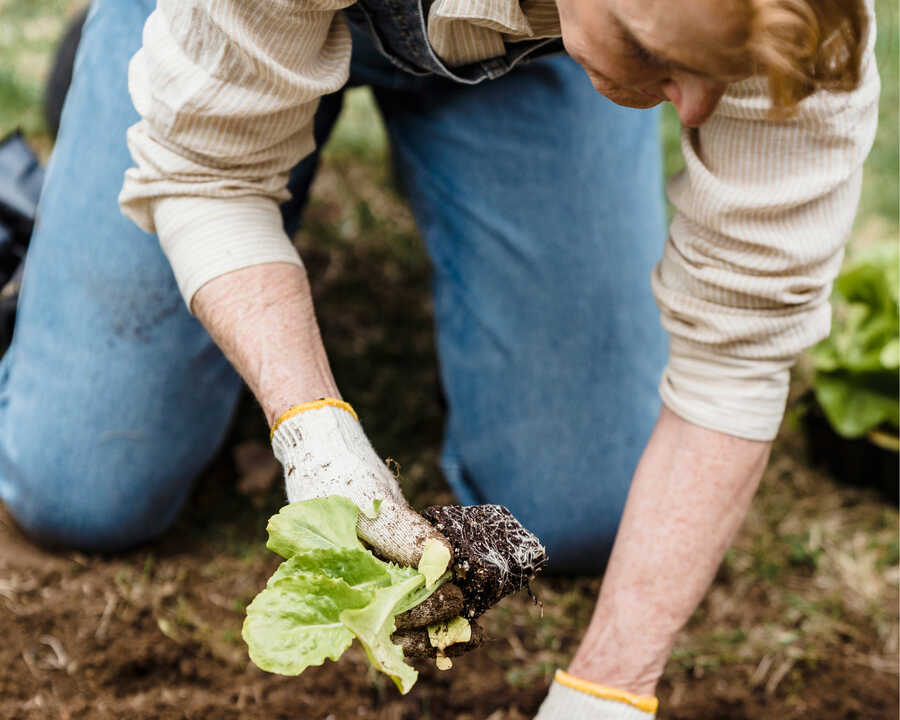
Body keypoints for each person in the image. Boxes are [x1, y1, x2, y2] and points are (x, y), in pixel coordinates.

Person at [0, 0, 878, 716]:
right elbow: (208, 176)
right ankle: (154, 55)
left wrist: (610, 691)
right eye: (659, 53)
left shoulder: (799, 25)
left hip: (535, 53)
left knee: (580, 506)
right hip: (255, 21)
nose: (689, 110)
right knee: (78, 486)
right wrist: (310, 424)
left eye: (714, 71)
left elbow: (739, 354)